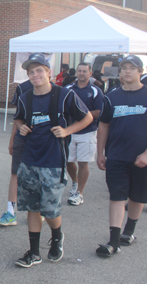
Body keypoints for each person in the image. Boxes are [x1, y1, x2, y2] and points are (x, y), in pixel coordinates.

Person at [13, 53, 92, 268]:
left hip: (53, 161)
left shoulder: (64, 95)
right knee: (32, 208)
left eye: (39, 70)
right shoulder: (25, 97)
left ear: (48, 72)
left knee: (50, 209)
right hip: (30, 160)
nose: (35, 74)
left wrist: (67, 131)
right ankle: (34, 252)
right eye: (31, 72)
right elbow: (18, 117)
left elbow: (88, 117)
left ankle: (57, 236)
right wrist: (21, 127)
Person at [96, 55, 147, 257]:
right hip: (116, 155)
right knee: (117, 195)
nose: (127, 71)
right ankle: (114, 241)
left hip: (141, 157)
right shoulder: (111, 97)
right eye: (124, 68)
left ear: (140, 72)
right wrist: (100, 152)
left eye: (132, 68)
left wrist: (146, 154)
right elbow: (104, 125)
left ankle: (129, 231)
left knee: (137, 196)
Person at [65, 63, 104, 206]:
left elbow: (100, 111)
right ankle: (75, 182)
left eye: (84, 71)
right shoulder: (68, 89)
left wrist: (82, 115)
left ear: (90, 73)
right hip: (69, 132)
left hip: (87, 132)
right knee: (68, 161)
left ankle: (79, 193)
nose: (81, 73)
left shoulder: (95, 90)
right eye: (79, 71)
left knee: (82, 162)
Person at [0, 79, 32, 226]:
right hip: (22, 139)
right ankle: (10, 212)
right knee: (15, 173)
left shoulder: (56, 91)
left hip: (43, 142)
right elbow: (17, 117)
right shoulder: (22, 88)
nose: (35, 73)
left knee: (39, 175)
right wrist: (12, 139)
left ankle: (40, 210)